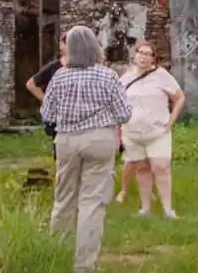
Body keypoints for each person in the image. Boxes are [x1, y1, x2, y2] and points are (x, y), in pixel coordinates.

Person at [41, 25, 133, 273]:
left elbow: (46, 113)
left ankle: (57, 255)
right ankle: (84, 265)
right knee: (92, 202)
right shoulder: (107, 75)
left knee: (63, 199)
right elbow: (125, 113)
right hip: (99, 138)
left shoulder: (60, 76)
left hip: (67, 140)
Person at [119, 40, 185, 218]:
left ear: (153, 58)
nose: (143, 57)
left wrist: (171, 121)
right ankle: (145, 208)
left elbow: (179, 98)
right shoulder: (125, 78)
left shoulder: (162, 75)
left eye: (148, 54)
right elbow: (118, 103)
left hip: (157, 131)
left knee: (161, 167)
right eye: (141, 53)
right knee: (141, 169)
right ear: (135, 55)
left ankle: (168, 209)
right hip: (132, 132)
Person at [26, 33, 67, 159]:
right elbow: (31, 84)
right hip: (58, 116)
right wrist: (47, 100)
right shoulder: (54, 67)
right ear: (61, 45)